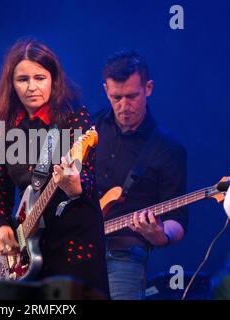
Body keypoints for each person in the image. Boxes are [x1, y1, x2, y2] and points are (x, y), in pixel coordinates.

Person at [0, 39, 109, 296]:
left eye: (40, 77)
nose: (32, 87)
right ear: (11, 84)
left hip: (74, 245)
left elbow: (86, 181)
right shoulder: (7, 128)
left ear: (54, 79)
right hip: (29, 252)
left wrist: (74, 185)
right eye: (23, 79)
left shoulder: (73, 117)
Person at [94, 49, 188, 300]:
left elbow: (178, 219)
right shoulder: (89, 128)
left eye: (132, 96)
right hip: (75, 249)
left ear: (148, 88)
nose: (123, 106)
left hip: (124, 253)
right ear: (105, 90)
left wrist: (161, 235)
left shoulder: (168, 148)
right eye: (116, 97)